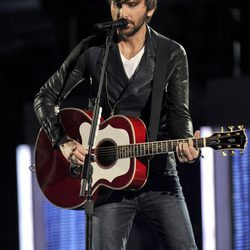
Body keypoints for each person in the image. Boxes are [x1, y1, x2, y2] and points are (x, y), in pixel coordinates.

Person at [34, 0, 200, 249]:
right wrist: (62, 141)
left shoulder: (171, 53)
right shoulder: (92, 49)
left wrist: (187, 141)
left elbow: (179, 114)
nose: (122, 13)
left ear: (150, 9)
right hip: (106, 177)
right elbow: (45, 97)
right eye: (116, 4)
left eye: (132, 4)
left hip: (157, 172)